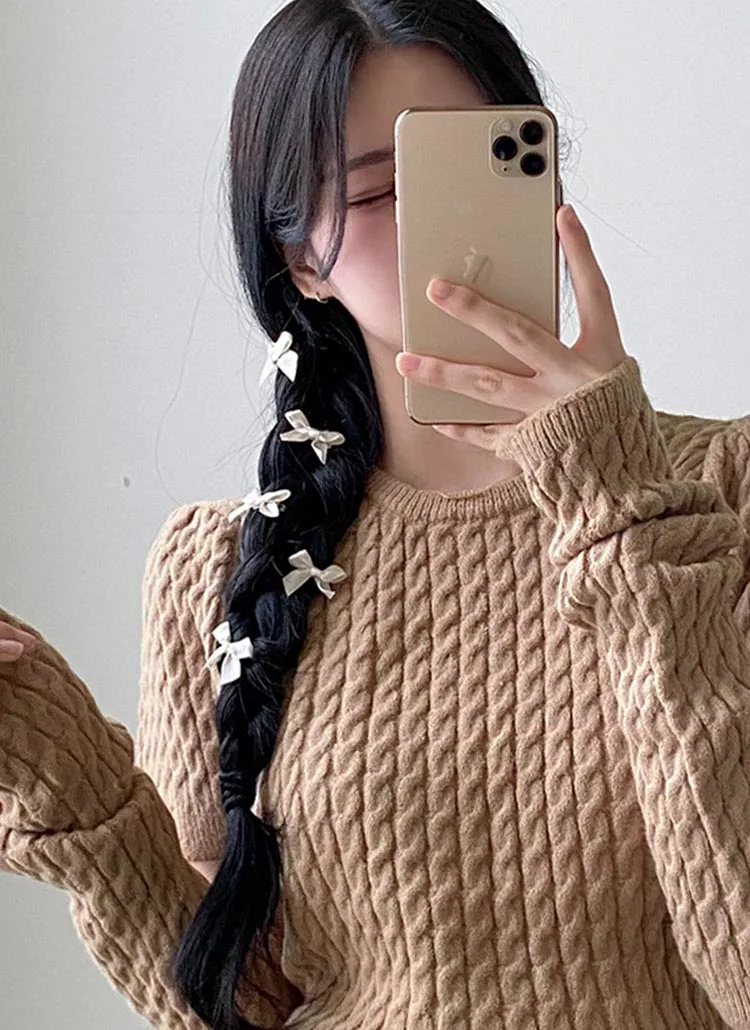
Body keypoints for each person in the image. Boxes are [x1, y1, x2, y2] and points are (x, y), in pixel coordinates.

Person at [2, 1, 750, 1028]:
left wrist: (617, 501)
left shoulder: (722, 487)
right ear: (302, 262)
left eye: (485, 161)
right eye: (378, 192)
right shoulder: (215, 567)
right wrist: (56, 768)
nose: (445, 222)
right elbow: (239, 1005)